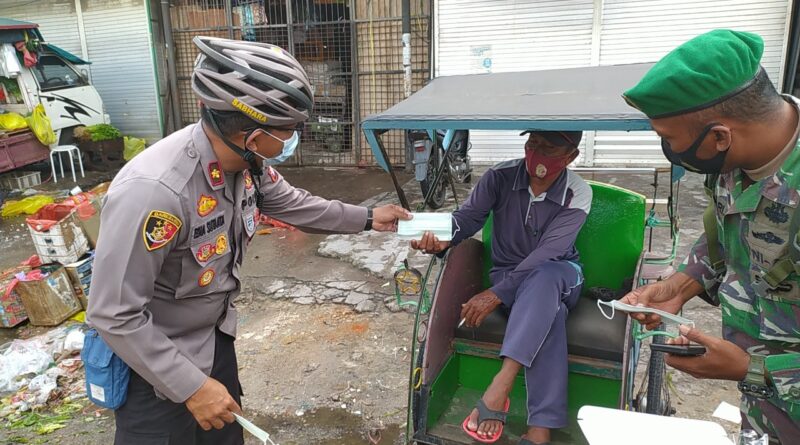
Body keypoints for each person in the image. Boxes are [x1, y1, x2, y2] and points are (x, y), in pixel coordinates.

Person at [86, 36, 410, 445]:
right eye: (291, 130)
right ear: (254, 138)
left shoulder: (246, 164)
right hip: (152, 366)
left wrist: (367, 218)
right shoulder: (155, 192)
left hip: (214, 338)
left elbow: (295, 204)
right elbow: (114, 313)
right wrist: (191, 386)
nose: (295, 138)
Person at [620, 29, 800, 443]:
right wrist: (678, 286)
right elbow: (725, 234)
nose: (667, 149)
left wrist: (748, 368)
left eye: (668, 139)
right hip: (769, 410)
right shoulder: (735, 162)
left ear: (719, 135)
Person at [412, 130, 592, 445]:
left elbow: (548, 253)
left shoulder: (577, 192)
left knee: (545, 277)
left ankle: (501, 386)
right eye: (532, 144)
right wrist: (442, 236)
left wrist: (496, 294)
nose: (536, 153)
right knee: (553, 312)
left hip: (561, 274)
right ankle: (541, 429)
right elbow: (466, 219)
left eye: (548, 148)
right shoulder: (500, 176)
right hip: (512, 281)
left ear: (571, 156)